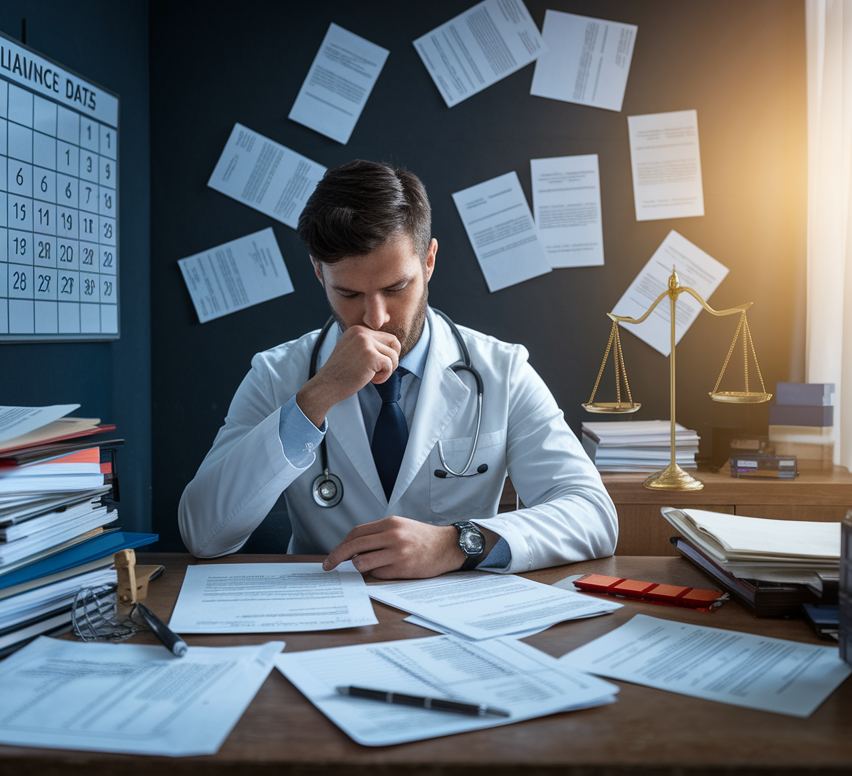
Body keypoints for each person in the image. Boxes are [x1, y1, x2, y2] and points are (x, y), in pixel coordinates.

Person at [178, 160, 617, 578]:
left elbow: (593, 515)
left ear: (428, 260)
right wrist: (317, 396)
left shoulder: (501, 370)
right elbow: (203, 535)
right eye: (348, 293)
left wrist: (455, 544)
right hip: (324, 619)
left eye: (396, 288)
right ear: (318, 273)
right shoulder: (276, 374)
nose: (375, 317)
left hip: (459, 618)